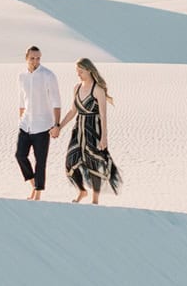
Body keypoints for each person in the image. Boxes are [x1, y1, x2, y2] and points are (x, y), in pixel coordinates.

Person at [52, 57, 121, 202]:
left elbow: (103, 115)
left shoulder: (98, 89)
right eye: (77, 71)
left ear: (89, 70)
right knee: (70, 161)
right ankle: (82, 191)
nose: (78, 74)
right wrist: (59, 127)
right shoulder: (76, 88)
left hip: (93, 130)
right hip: (78, 130)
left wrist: (104, 137)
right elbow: (72, 111)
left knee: (93, 162)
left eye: (81, 71)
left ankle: (95, 199)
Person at [14, 46, 62, 200]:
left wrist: (57, 125)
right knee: (20, 155)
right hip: (25, 124)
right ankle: (34, 184)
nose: (36, 61)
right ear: (26, 58)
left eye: (38, 58)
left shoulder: (48, 75)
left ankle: (37, 194)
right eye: (32, 58)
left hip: (43, 126)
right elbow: (22, 101)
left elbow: (56, 102)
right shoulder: (22, 76)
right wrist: (20, 119)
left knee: (40, 161)